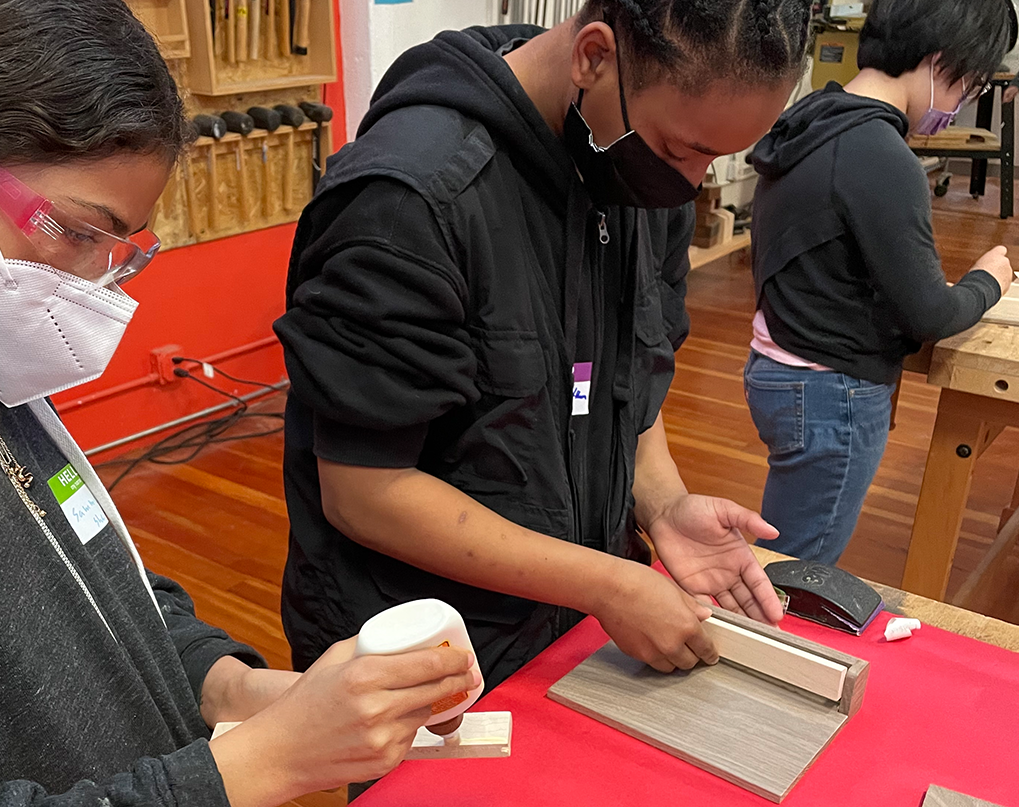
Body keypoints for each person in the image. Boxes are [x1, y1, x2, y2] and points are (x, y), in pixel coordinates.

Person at [0, 3, 477, 807]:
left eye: (114, 249)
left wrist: (235, 693)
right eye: (75, 230)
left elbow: (108, 596)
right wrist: (263, 766)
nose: (88, 283)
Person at [277, 1, 813, 693]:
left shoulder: (634, 172)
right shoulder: (409, 204)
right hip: (428, 649)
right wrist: (609, 584)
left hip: (568, 622)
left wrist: (663, 505)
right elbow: (365, 491)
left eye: (715, 156)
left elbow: (624, 385)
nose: (691, 184)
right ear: (593, 56)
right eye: (681, 150)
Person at [746, 0, 1017, 564]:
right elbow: (929, 314)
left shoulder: (815, 117)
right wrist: (988, 279)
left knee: (782, 546)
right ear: (941, 61)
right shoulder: (879, 154)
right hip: (830, 392)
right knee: (797, 572)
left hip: (778, 368)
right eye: (965, 86)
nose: (960, 104)